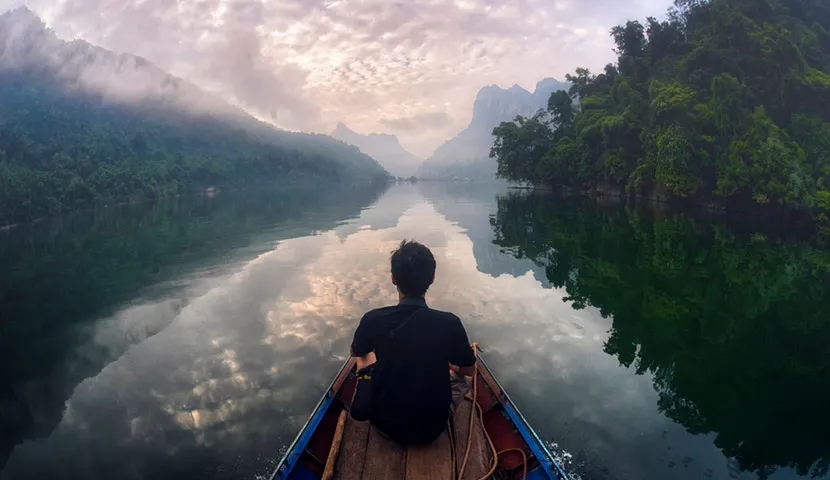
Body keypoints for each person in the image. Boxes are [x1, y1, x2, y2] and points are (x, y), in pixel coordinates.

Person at [349, 240, 476, 445]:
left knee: (364, 357)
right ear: (432, 278)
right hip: (432, 430)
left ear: (393, 279)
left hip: (383, 424)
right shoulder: (450, 323)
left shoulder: (373, 319)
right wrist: (448, 365)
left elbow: (356, 352)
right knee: (462, 379)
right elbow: (469, 371)